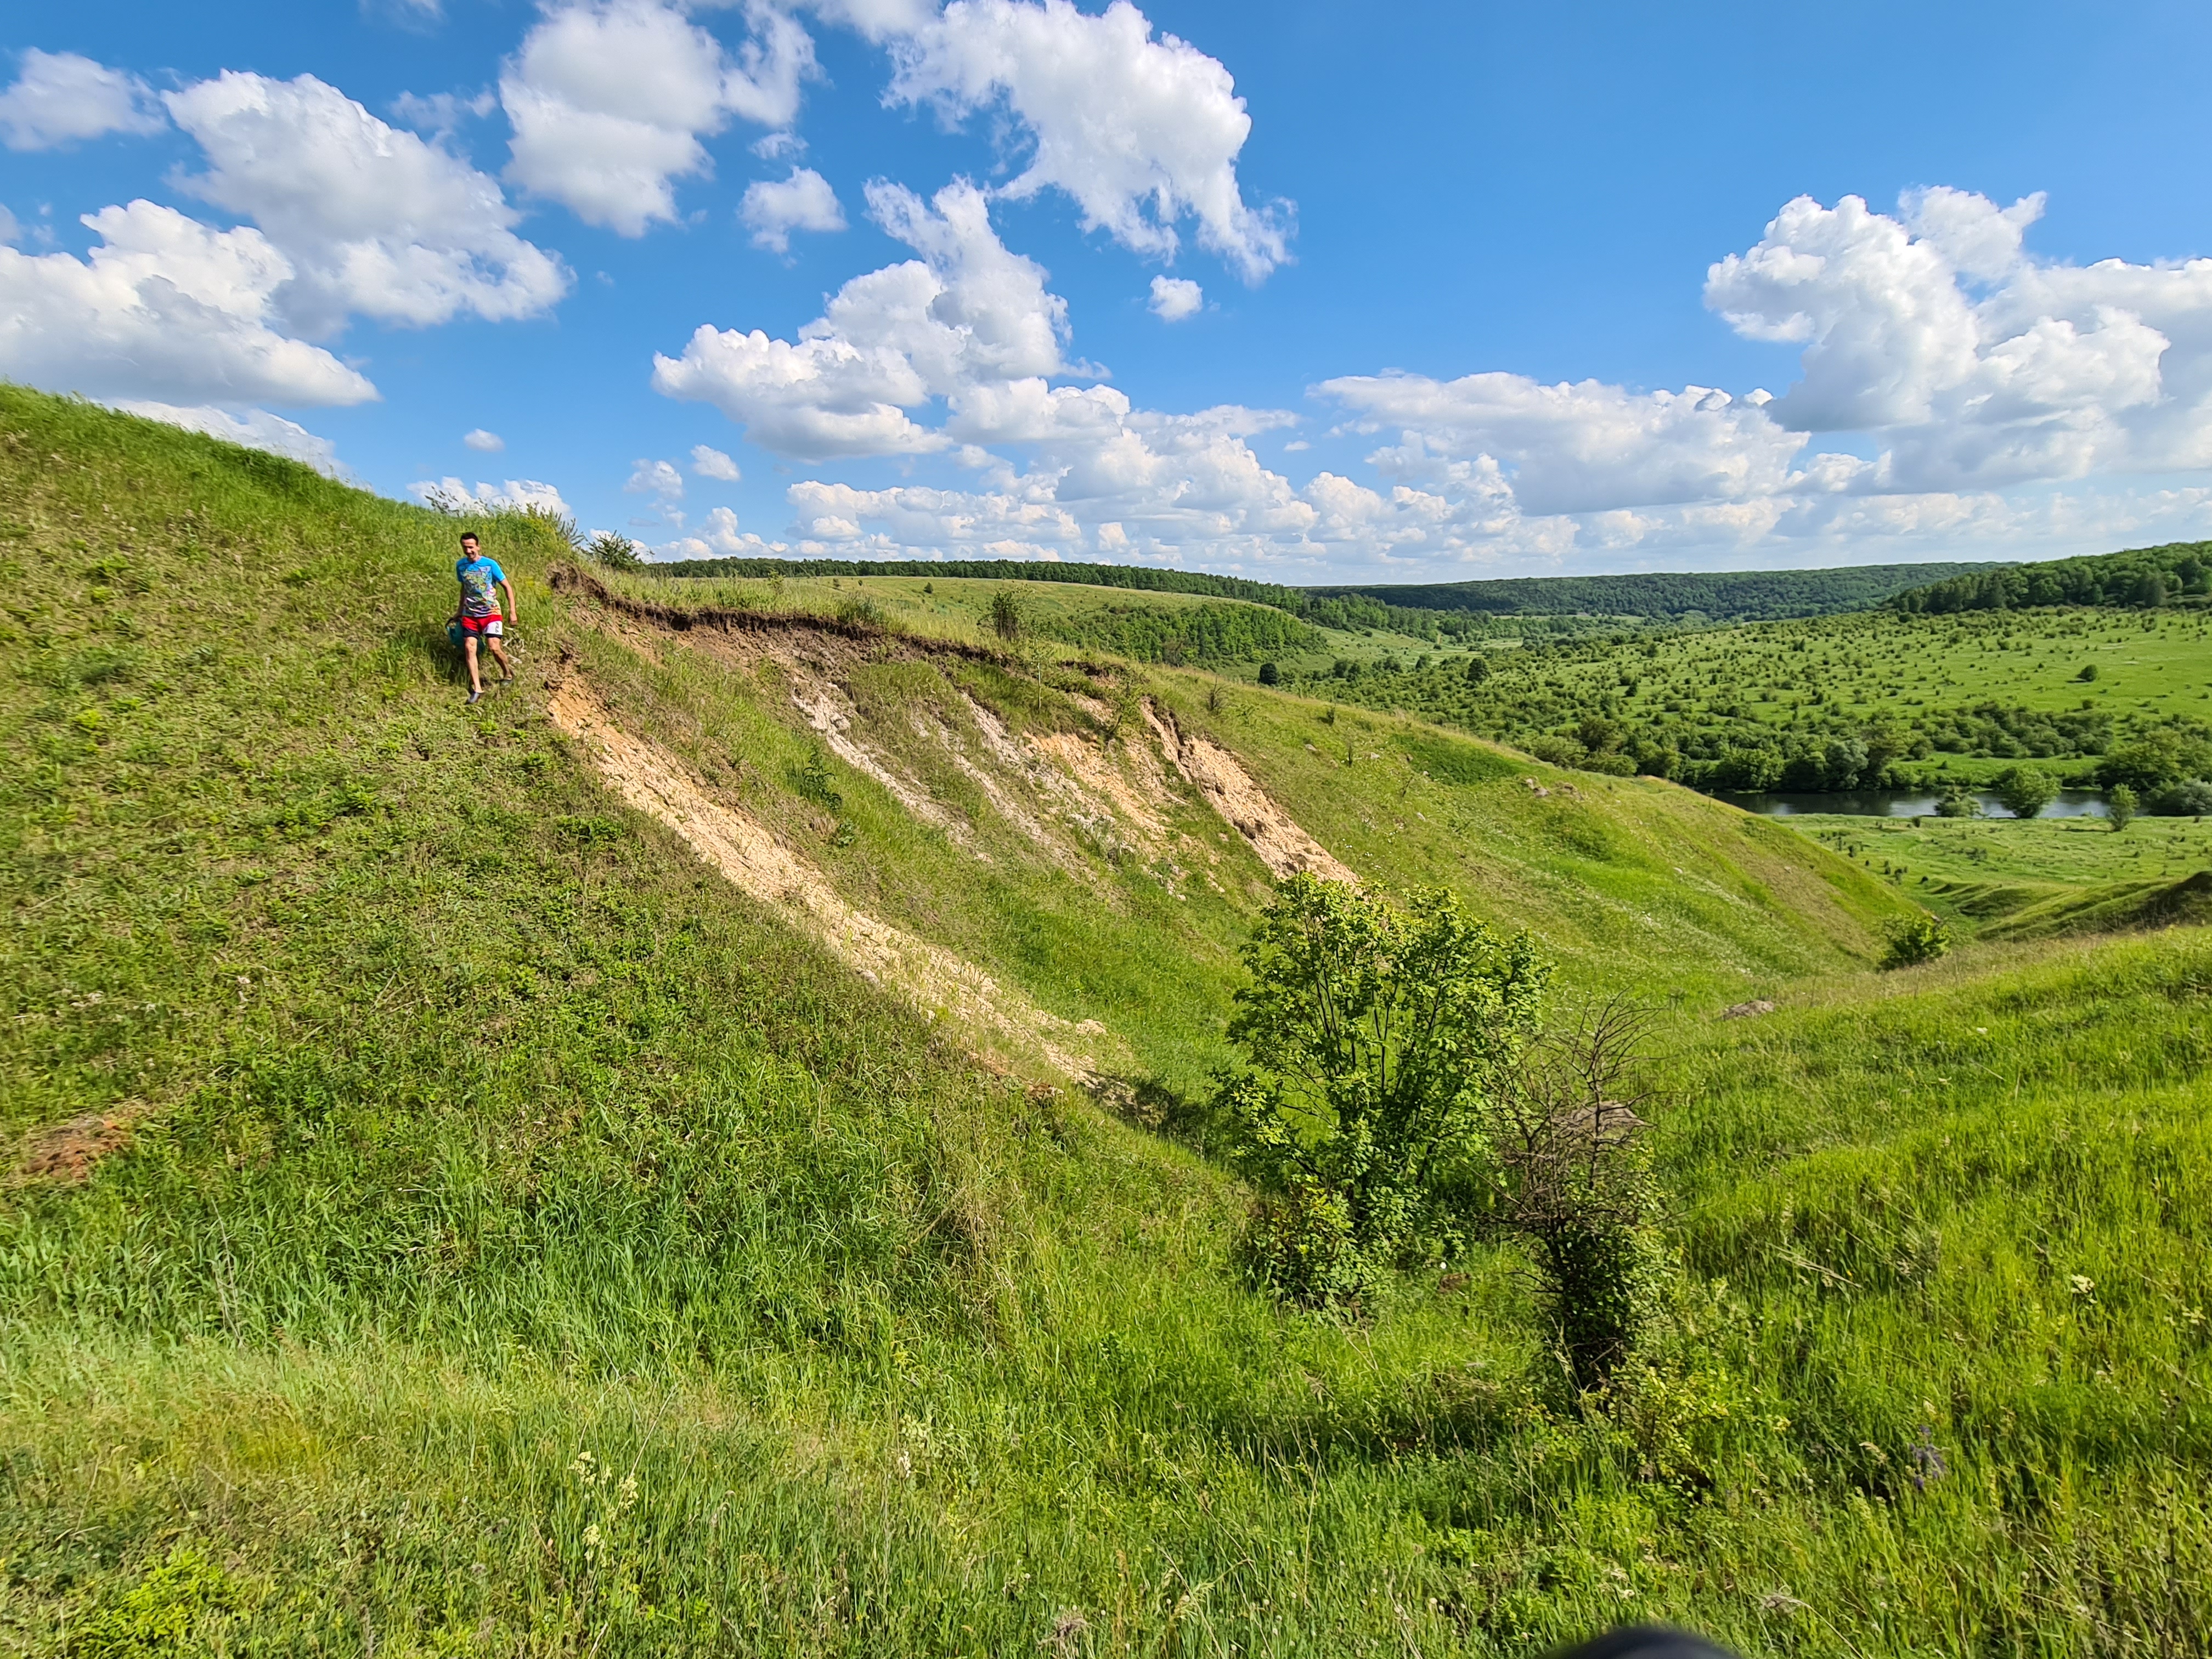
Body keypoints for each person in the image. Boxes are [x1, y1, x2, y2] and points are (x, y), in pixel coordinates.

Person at [452, 532, 516, 704]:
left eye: (471, 547)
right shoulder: (461, 566)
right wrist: (459, 610)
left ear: (478, 547)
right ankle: (477, 689)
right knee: (469, 647)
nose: (468, 551)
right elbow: (464, 589)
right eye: (465, 547)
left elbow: (507, 587)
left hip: (491, 613)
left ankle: (508, 673)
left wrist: (512, 612)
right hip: (470, 615)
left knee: (494, 648)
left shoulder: (490, 564)